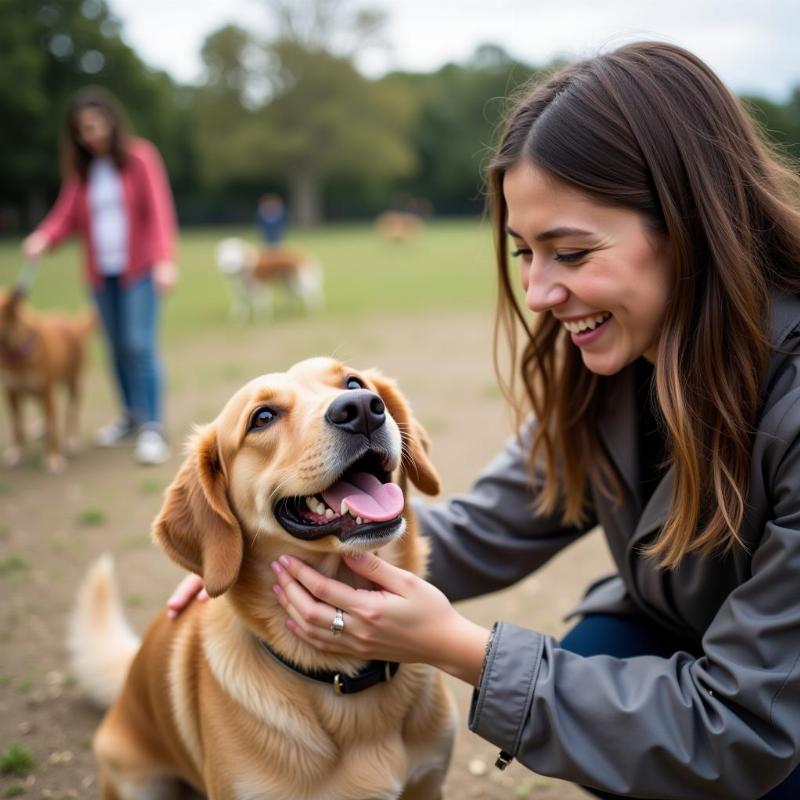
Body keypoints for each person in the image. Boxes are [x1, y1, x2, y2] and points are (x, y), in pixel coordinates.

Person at [167, 42, 800, 799]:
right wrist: (273, 567)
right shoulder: (619, 360)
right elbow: (490, 523)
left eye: (569, 252)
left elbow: (743, 725)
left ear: (691, 223)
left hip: (762, 718)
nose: (537, 292)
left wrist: (457, 649)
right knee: (600, 652)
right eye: (525, 253)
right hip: (693, 639)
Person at [22, 86, 178, 465]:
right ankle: (130, 416)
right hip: (100, 274)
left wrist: (163, 259)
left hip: (139, 269)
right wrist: (44, 236)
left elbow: (159, 211)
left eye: (94, 125)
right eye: (81, 129)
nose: (89, 135)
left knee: (138, 345)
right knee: (115, 348)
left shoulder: (140, 158)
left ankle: (153, 426)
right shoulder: (85, 173)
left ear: (111, 121)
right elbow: (66, 215)